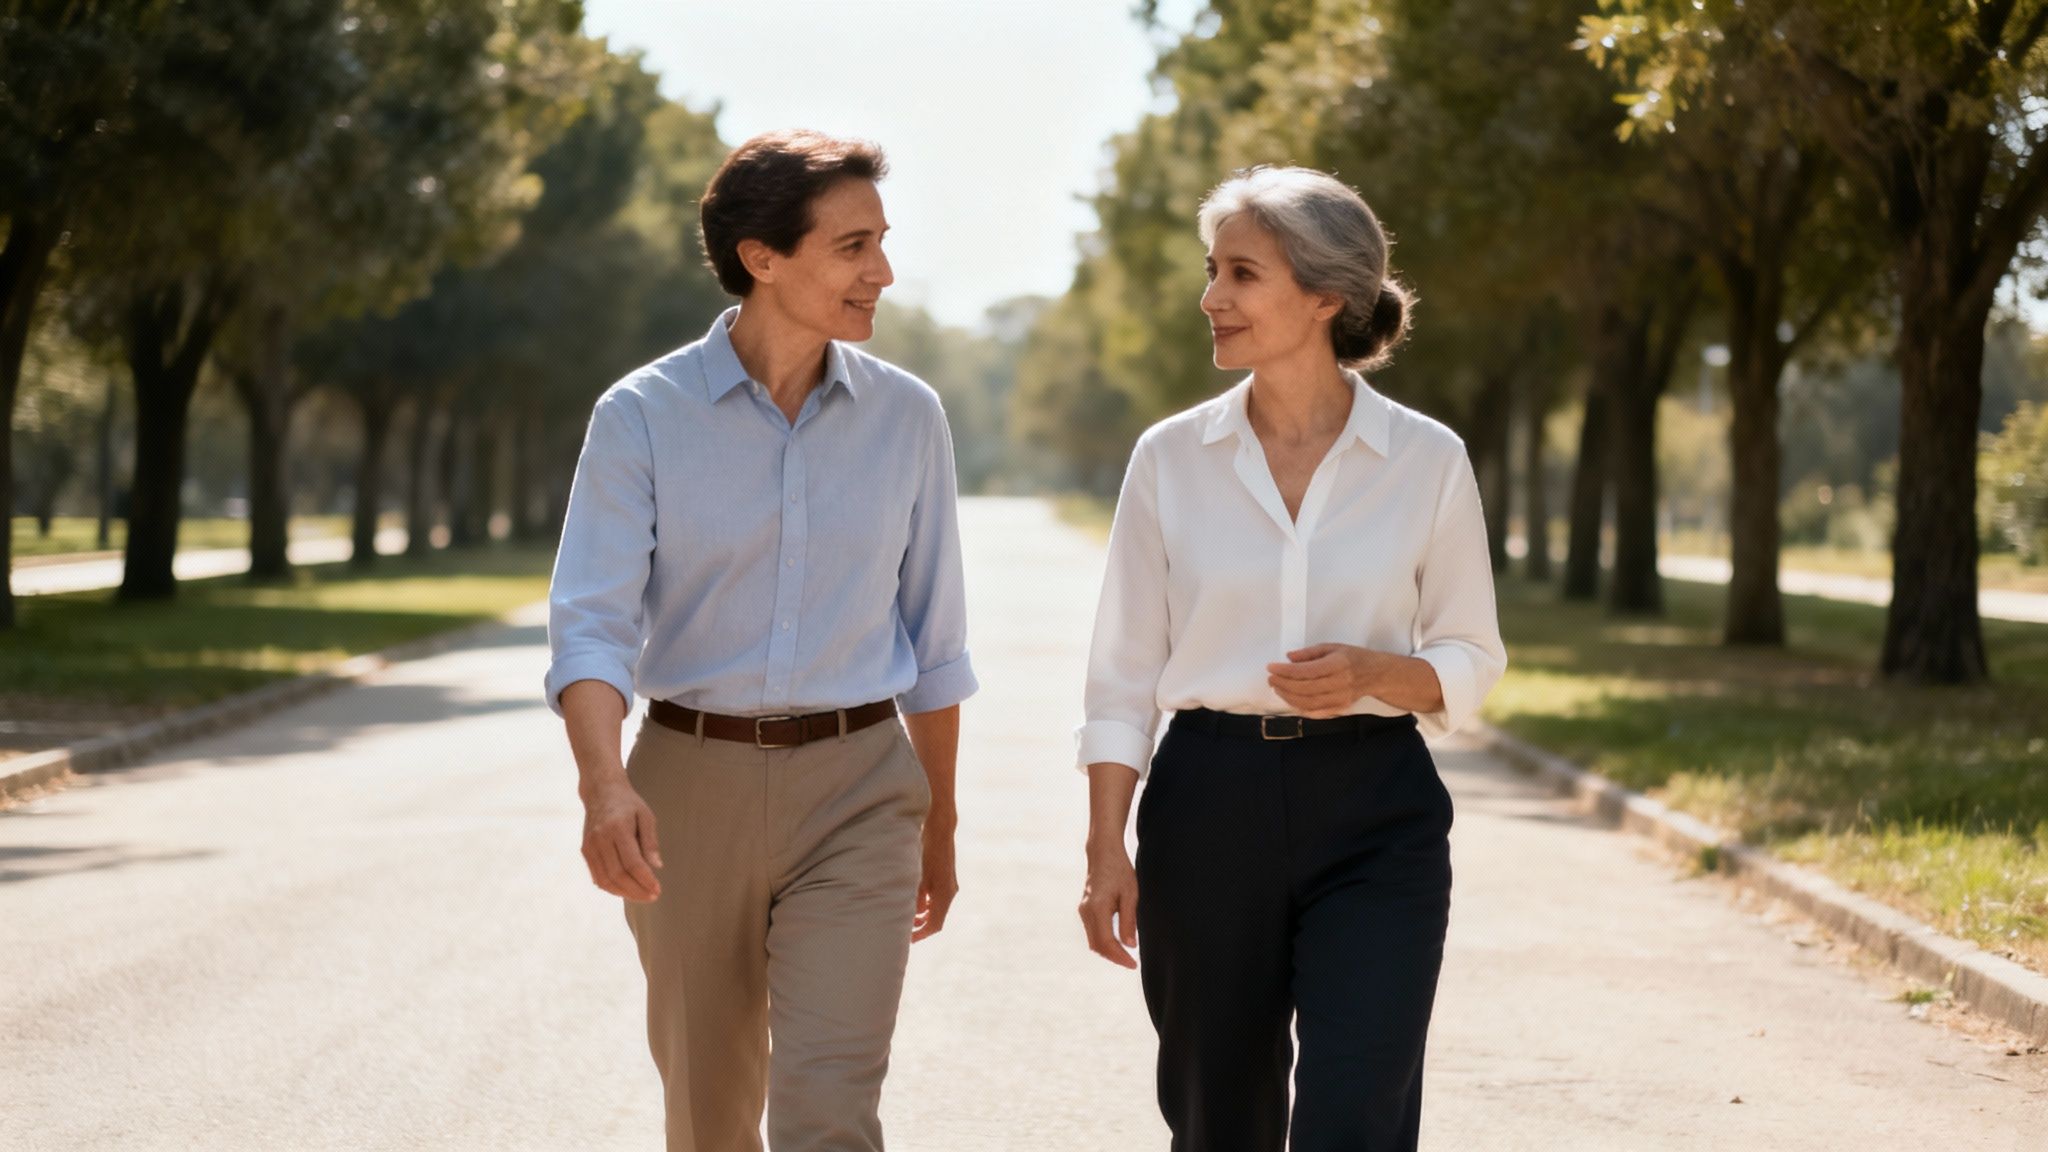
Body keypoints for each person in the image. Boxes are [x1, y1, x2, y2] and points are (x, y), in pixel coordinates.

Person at [544, 129, 977, 1152]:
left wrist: (939, 821)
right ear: (762, 257)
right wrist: (604, 784)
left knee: (830, 1109)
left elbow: (935, 637)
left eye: (882, 241)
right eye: (852, 246)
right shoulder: (641, 417)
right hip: (687, 789)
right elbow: (591, 624)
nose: (881, 271)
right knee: (709, 1113)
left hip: (861, 790)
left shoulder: (907, 418)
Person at [1074, 165, 1507, 1151]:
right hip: (1206, 806)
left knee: (1356, 1111)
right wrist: (1107, 845)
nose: (1209, 298)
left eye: (1240, 274)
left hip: (1375, 809)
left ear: (1321, 298)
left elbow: (1468, 652)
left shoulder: (1425, 459)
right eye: (1211, 270)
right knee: (1217, 1117)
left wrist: (1370, 674)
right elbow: (1120, 671)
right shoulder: (1169, 459)